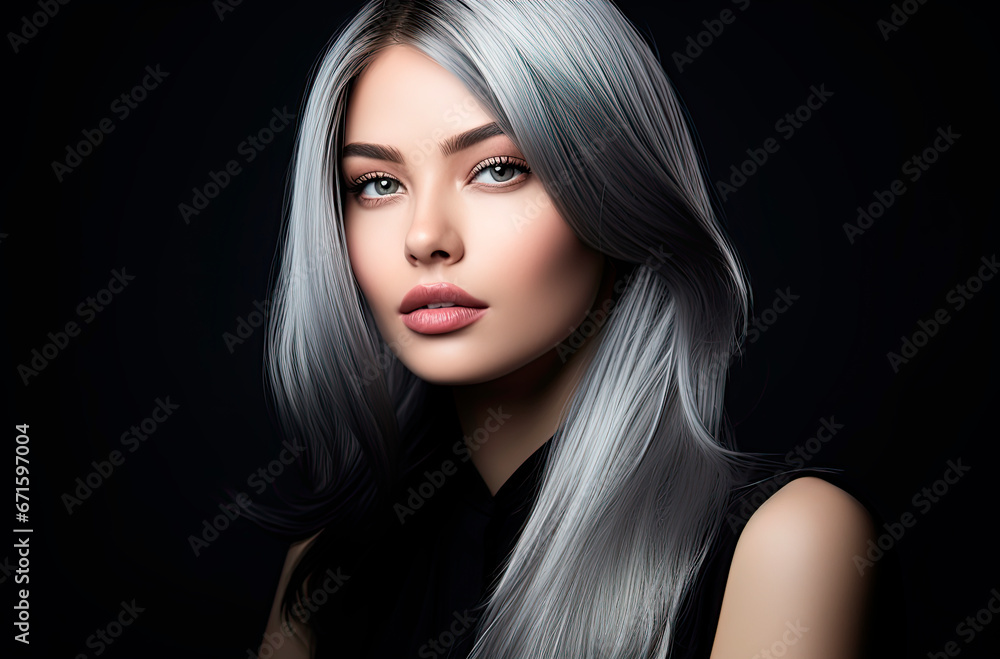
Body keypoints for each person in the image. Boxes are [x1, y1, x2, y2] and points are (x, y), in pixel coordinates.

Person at [251, 1, 887, 656]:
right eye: (378, 183)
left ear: (620, 195)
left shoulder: (787, 542)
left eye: (498, 169)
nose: (424, 236)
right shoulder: (327, 563)